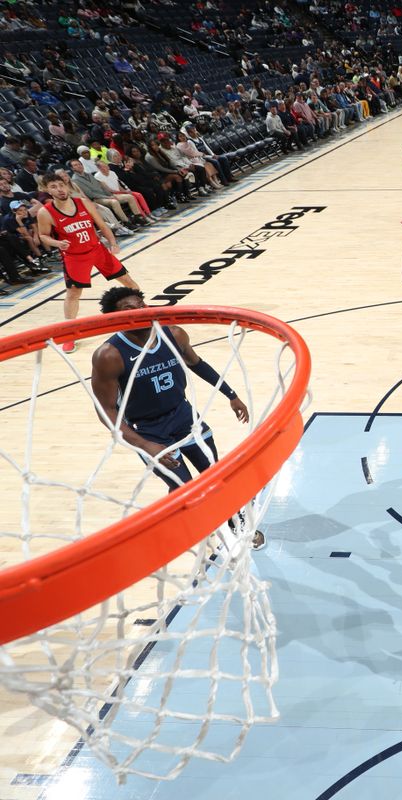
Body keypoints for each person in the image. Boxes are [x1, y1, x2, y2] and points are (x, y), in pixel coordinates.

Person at [90, 288, 261, 547]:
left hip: (184, 417)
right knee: (183, 487)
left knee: (215, 475)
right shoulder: (109, 355)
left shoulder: (174, 334)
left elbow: (197, 363)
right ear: (114, 318)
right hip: (148, 430)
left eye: (142, 304)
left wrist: (231, 394)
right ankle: (189, 525)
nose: (141, 310)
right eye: (129, 309)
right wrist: (144, 444)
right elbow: (106, 410)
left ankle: (235, 522)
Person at [37, 172, 141, 352]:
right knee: (73, 293)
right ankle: (69, 334)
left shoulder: (82, 203)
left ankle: (143, 310)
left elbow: (100, 223)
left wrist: (113, 242)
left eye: (61, 185)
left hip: (97, 250)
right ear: (46, 190)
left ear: (66, 184)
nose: (59, 189)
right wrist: (57, 243)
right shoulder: (45, 212)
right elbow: (43, 235)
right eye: (53, 187)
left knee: (127, 280)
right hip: (75, 257)